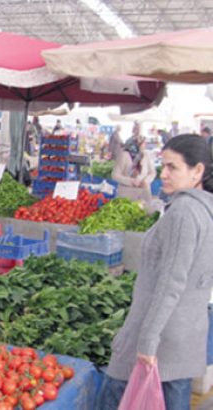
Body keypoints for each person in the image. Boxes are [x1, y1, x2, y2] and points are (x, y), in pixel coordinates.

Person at [95, 134, 213, 410]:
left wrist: (147, 341)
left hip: (159, 339)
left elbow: (171, 283)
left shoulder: (183, 212)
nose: (164, 174)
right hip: (184, 337)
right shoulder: (205, 209)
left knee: (113, 398)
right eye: (163, 166)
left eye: (173, 167)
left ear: (197, 171)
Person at [112, 135, 157, 200]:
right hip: (127, 194)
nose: (145, 145)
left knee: (145, 209)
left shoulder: (146, 155)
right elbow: (115, 175)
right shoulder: (124, 155)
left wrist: (146, 181)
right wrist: (131, 181)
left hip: (144, 192)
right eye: (143, 143)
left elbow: (152, 172)